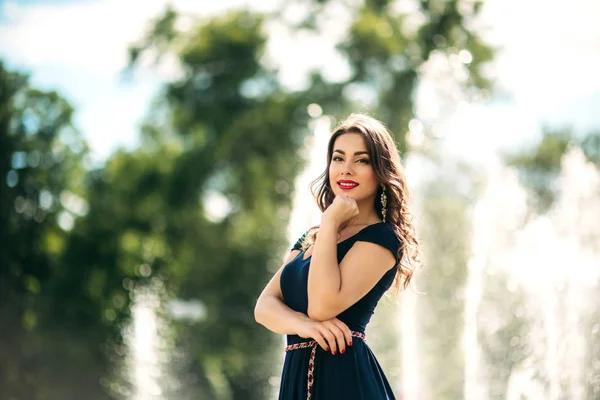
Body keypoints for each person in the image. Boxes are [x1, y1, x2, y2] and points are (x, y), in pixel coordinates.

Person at [254, 113, 422, 399]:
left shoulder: (382, 237)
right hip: (296, 378)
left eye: (361, 160)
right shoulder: (311, 237)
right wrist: (302, 325)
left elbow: (323, 306)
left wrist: (330, 222)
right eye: (338, 158)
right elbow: (264, 307)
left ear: (380, 171)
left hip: (344, 379)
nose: (346, 169)